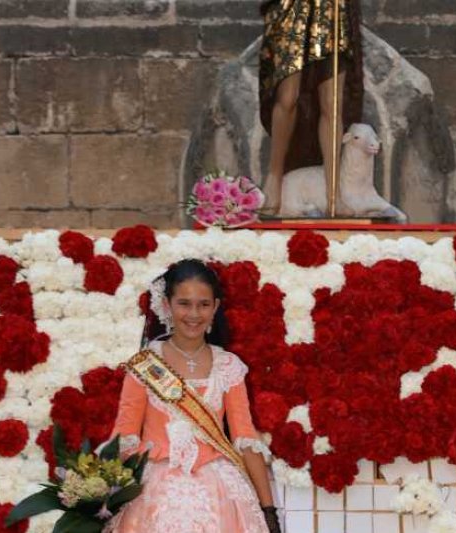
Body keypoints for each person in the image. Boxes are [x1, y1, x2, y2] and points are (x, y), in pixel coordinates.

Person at [104, 259, 281, 533]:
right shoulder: (145, 365)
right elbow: (124, 438)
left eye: (204, 304)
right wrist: (99, 496)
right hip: (154, 496)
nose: (194, 314)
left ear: (215, 307)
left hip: (219, 493)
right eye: (184, 304)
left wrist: (269, 510)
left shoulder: (228, 366)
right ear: (167, 305)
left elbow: (245, 440)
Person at [259, 0, 364, 216]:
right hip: (291, 5)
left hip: (331, 7)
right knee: (287, 96)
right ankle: (274, 176)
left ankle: (333, 193)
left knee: (332, 102)